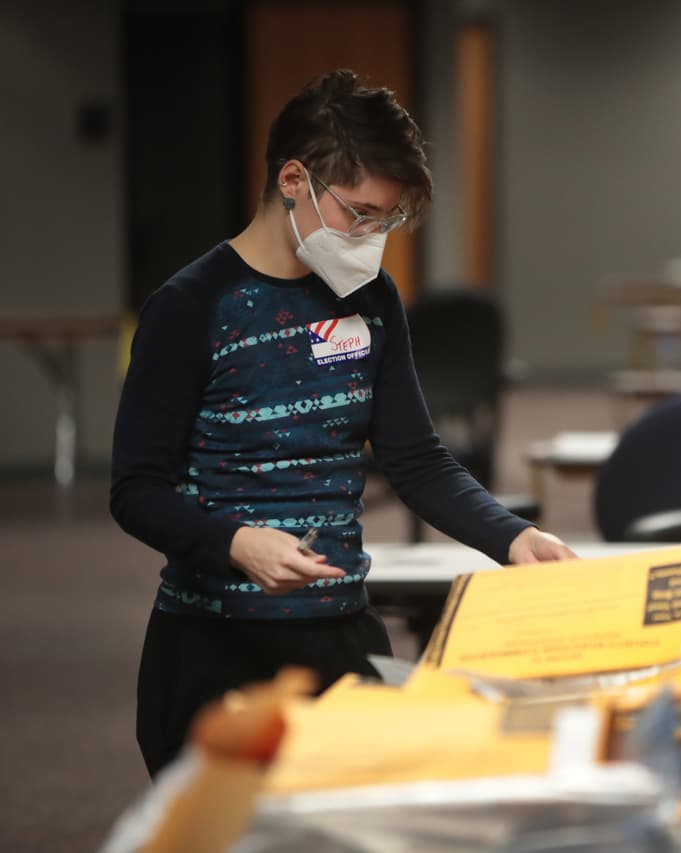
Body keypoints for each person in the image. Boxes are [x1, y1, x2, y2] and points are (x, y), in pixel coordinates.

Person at [111, 69, 576, 777]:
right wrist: (236, 541)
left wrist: (513, 536)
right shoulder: (191, 306)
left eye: (383, 220)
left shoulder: (371, 298)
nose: (370, 236)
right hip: (211, 646)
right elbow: (137, 488)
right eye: (358, 213)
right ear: (293, 179)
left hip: (339, 634)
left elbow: (416, 459)